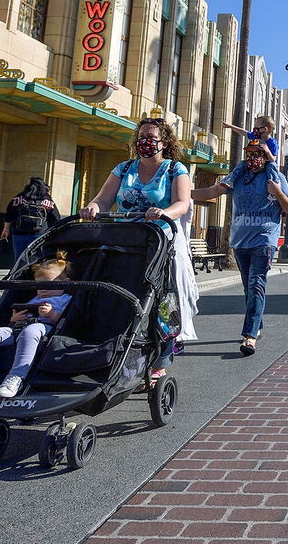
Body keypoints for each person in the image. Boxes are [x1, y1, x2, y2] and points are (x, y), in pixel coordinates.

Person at [79, 118, 197, 380]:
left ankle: (160, 361)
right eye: (141, 136)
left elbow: (182, 203)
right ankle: (117, 352)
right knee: (117, 295)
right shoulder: (124, 168)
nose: (145, 142)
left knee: (161, 301)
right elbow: (104, 198)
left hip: (160, 242)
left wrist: (163, 212)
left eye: (151, 137)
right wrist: (94, 207)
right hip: (125, 239)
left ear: (164, 143)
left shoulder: (175, 169)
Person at [192, 141, 288, 356]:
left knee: (257, 284)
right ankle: (257, 325)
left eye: (259, 153)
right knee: (249, 289)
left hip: (264, 240)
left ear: (267, 156)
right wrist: (181, 194)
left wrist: (277, 192)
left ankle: (249, 336)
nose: (254, 157)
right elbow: (213, 191)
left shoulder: (276, 179)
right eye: (250, 153)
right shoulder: (237, 177)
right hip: (240, 242)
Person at [0, 252, 73, 398]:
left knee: (31, 331)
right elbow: (16, 318)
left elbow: (69, 321)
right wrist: (14, 318)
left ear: (66, 282)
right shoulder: (35, 298)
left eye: (48, 284)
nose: (43, 289)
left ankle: (16, 377)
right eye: (39, 285)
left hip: (47, 330)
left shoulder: (66, 299)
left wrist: (52, 314)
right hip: (19, 328)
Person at [0, 177, 60, 262]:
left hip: (19, 233)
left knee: (19, 259)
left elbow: (9, 214)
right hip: (39, 235)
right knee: (36, 260)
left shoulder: (19, 198)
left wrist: (6, 229)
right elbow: (56, 218)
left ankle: (19, 274)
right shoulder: (47, 201)